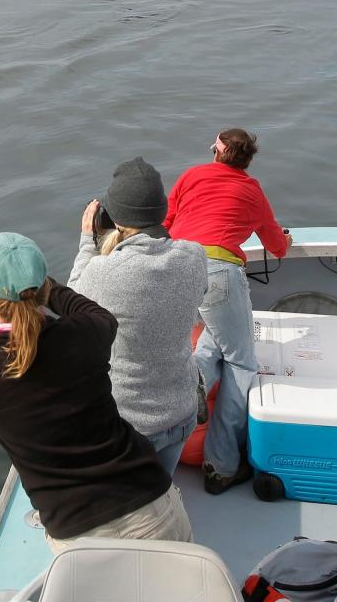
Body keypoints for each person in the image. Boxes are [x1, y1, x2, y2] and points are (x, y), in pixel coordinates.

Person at [0, 232, 194, 553]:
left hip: (81, 540)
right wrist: (39, 284)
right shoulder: (88, 333)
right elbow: (95, 313)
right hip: (155, 510)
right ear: (41, 287)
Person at [164, 129, 292, 494]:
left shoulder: (191, 175)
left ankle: (193, 384)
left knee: (214, 342)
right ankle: (220, 467)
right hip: (217, 272)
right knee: (241, 362)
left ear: (216, 154)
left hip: (177, 266)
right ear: (247, 160)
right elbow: (277, 246)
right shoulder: (251, 190)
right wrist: (286, 240)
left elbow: (168, 224)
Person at [67, 157, 207, 475]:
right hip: (181, 414)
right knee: (161, 488)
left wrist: (87, 242)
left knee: (131, 510)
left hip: (131, 426)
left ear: (116, 219)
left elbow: (73, 307)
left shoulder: (104, 272)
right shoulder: (195, 256)